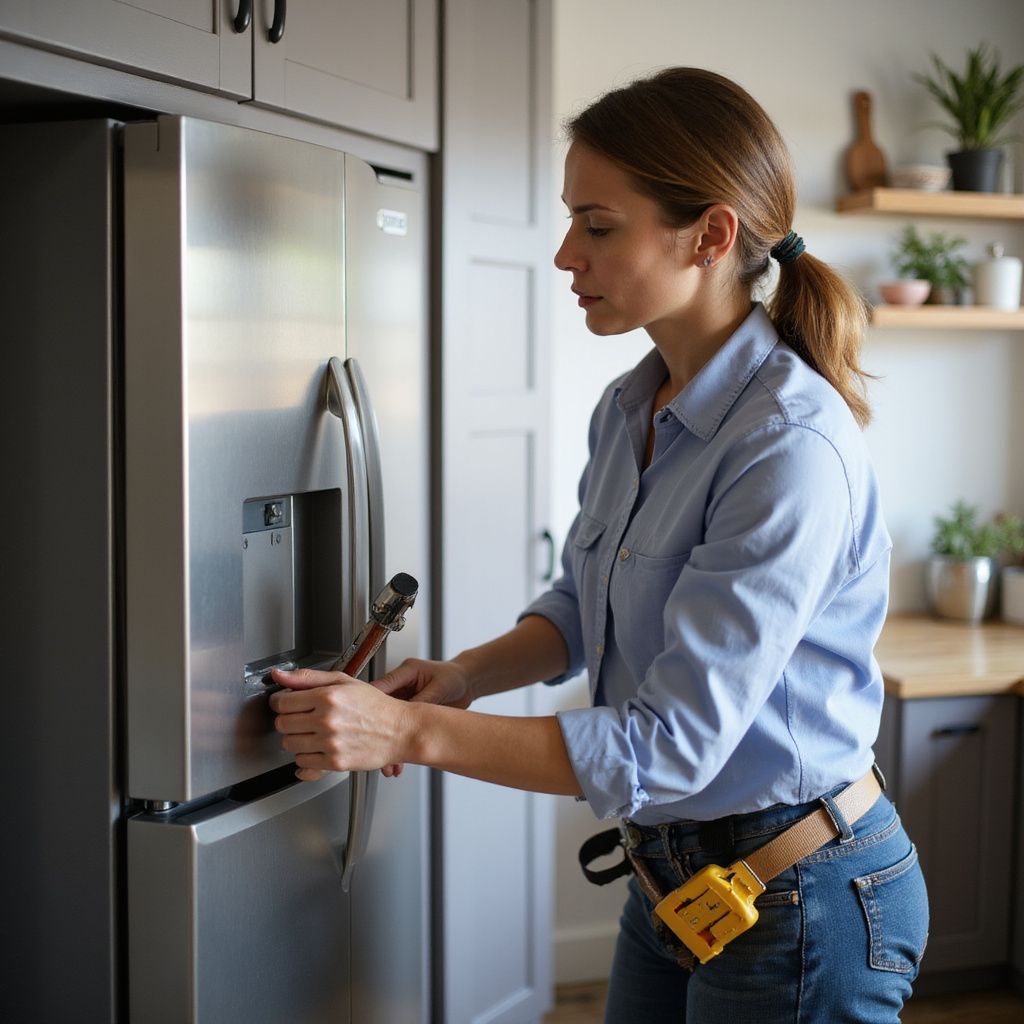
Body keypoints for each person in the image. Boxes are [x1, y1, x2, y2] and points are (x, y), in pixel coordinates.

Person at [269, 67, 929, 1023]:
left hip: (803, 896)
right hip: (674, 884)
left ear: (711, 235)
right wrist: (460, 678)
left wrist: (405, 732)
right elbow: (585, 604)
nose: (564, 254)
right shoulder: (632, 406)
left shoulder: (789, 446)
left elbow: (669, 745)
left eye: (598, 225)